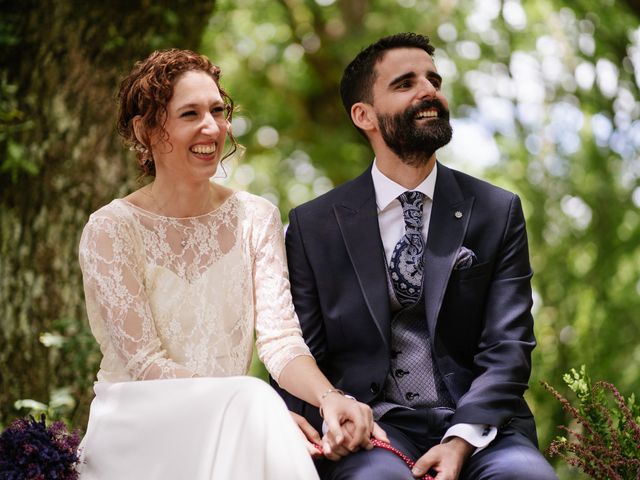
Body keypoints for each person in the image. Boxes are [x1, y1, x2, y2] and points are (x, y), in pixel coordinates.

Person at [77, 48, 384, 480]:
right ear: (145, 130)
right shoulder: (111, 229)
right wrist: (258, 417)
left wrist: (329, 398)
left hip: (236, 415)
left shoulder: (256, 217)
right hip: (140, 425)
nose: (212, 127)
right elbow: (145, 363)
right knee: (257, 400)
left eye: (218, 111)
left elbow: (280, 341)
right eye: (190, 114)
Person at [276, 33, 559, 479]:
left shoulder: (496, 210)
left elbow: (509, 346)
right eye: (406, 83)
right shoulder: (314, 227)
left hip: (483, 429)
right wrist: (326, 424)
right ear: (363, 115)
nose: (430, 91)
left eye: (434, 79)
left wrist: (461, 439)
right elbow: (298, 352)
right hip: (375, 431)